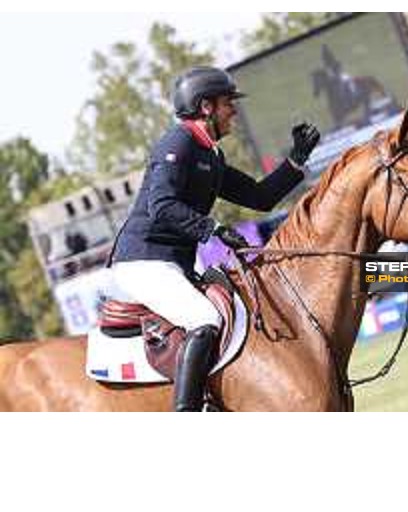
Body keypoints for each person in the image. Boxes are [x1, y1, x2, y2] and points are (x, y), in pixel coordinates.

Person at [108, 66, 320, 411]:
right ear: (206, 107)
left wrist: (296, 160)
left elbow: (259, 197)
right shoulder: (177, 144)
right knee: (206, 320)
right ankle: (188, 412)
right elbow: (161, 206)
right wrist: (213, 229)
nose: (233, 110)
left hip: (170, 264)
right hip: (143, 261)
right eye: (227, 103)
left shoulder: (209, 154)